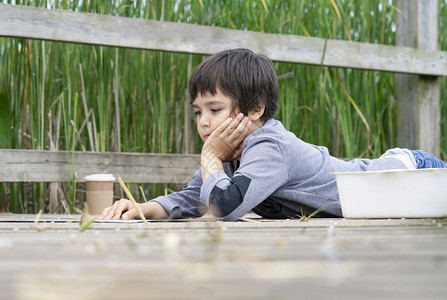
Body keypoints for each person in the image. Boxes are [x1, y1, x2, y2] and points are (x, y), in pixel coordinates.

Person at [99, 48, 447, 222]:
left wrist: (210, 157)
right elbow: (196, 197)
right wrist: (141, 209)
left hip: (405, 175)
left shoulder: (268, 146)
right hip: (389, 191)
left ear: (255, 110)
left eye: (215, 109)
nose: (203, 122)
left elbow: (223, 207)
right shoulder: (230, 154)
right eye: (197, 112)